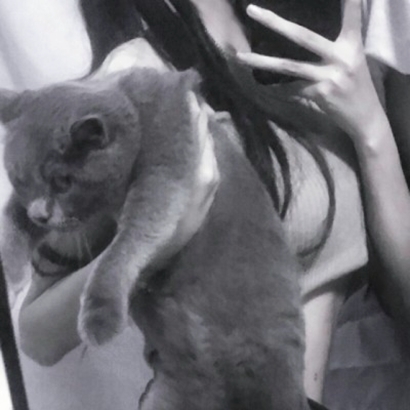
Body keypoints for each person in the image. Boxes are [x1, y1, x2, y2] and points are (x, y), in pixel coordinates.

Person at [11, 0, 410, 409]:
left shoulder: (305, 31)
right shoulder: (140, 78)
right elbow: (36, 333)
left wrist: (371, 128)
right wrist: (158, 242)